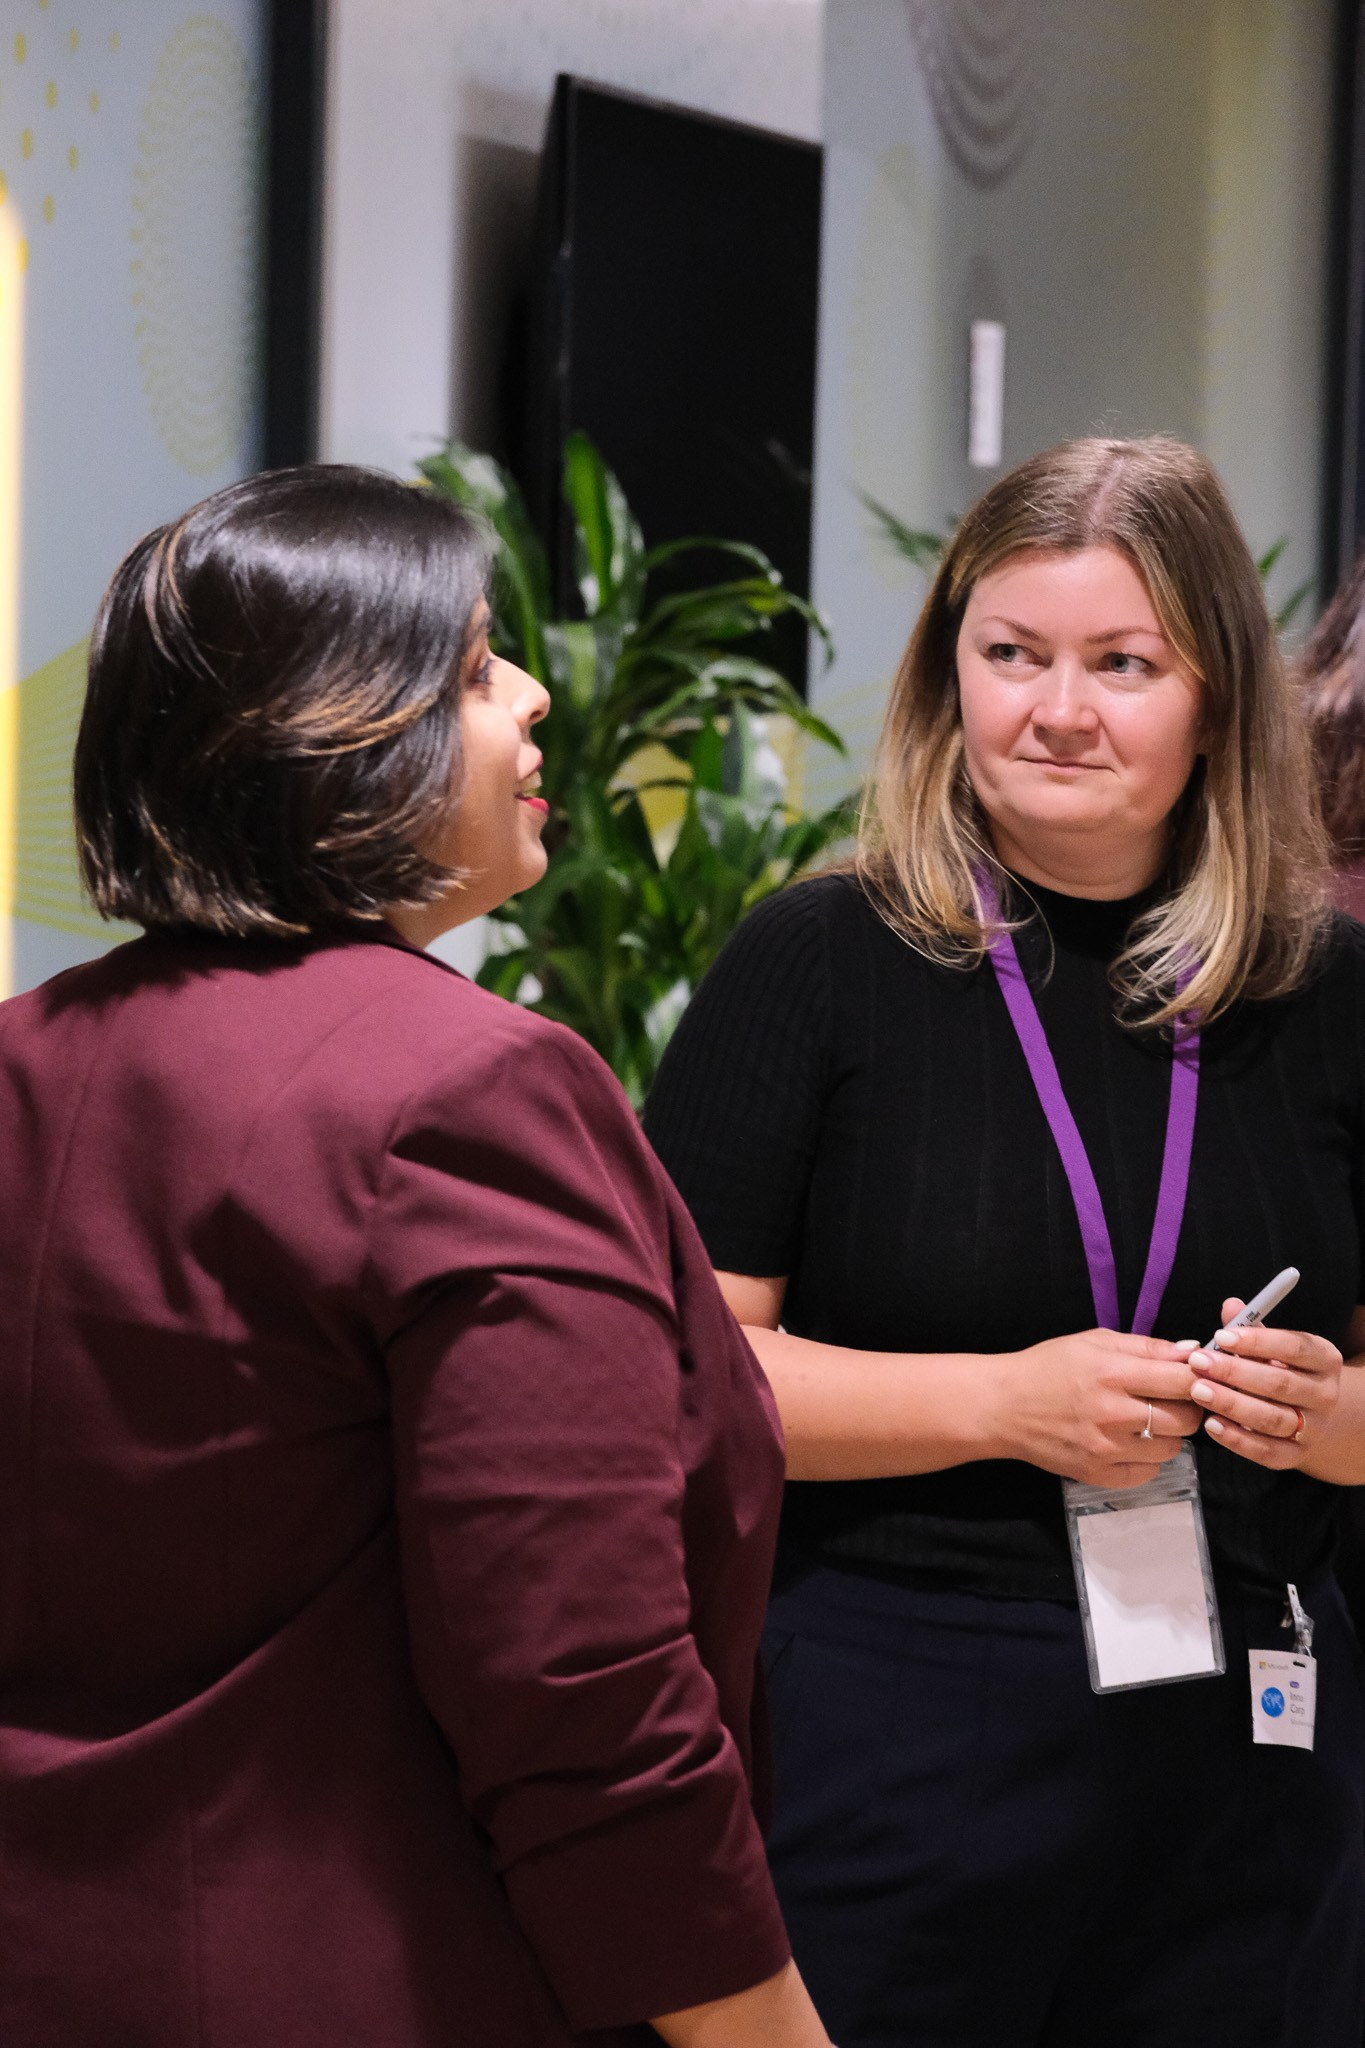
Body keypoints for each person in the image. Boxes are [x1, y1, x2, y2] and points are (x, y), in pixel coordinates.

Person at [0, 466, 833, 2048]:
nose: (528, 701)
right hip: (367, 1977)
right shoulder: (468, 1090)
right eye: (466, 669)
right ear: (328, 735)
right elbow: (578, 1688)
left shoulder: (23, 1062)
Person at [645, 436, 1365, 2048]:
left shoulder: (1327, 990)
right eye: (1009, 654)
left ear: (1220, 701)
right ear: (946, 668)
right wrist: (997, 1404)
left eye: (1122, 664)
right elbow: (676, 1386)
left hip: (1251, 1711)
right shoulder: (817, 960)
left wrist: (1324, 1423)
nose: (1056, 712)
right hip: (902, 1709)